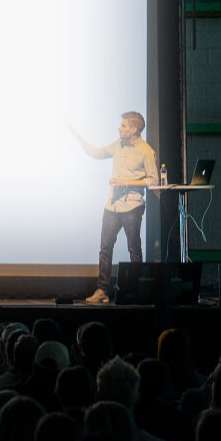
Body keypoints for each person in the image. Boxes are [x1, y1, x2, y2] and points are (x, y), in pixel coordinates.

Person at [68, 112, 161, 304]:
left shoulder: (146, 151)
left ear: (134, 129)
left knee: (133, 249)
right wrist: (76, 136)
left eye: (124, 126)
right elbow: (97, 153)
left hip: (133, 206)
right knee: (105, 247)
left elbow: (153, 181)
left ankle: (135, 291)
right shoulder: (118, 145)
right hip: (112, 206)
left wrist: (126, 182)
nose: (120, 128)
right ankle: (102, 290)